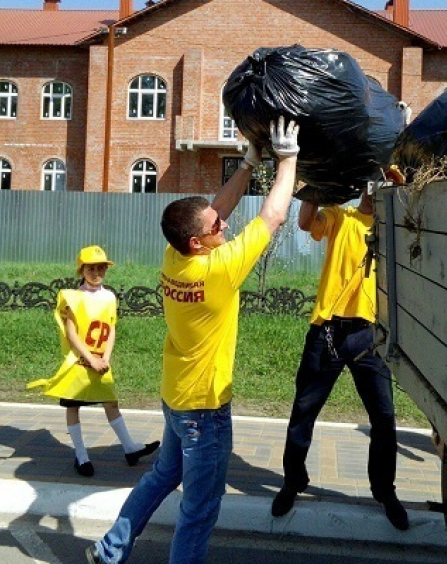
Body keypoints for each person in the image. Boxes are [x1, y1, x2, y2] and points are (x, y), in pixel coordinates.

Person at [86, 116, 300, 564]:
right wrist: (288, 158)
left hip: (176, 395)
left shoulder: (176, 254)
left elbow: (212, 212)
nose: (224, 226)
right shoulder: (218, 271)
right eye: (217, 228)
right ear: (200, 243)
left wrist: (246, 164)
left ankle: (109, 552)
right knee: (199, 510)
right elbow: (275, 214)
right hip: (203, 407)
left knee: (162, 476)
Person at [270, 188, 409, 531]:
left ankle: (384, 490)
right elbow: (305, 222)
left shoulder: (393, 227)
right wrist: (316, 188)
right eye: (370, 185)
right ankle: (293, 480)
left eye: (380, 184)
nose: (374, 192)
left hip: (369, 335)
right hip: (328, 332)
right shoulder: (340, 217)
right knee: (304, 408)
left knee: (384, 416)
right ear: (361, 188)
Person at [27, 245, 160, 477]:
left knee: (111, 403)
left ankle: (129, 448)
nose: (96, 272)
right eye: (91, 268)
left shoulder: (109, 296)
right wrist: (90, 358)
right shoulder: (73, 297)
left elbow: (111, 328)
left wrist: (106, 358)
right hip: (78, 363)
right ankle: (81, 454)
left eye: (101, 268)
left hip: (101, 360)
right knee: (73, 405)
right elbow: (71, 333)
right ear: (81, 270)